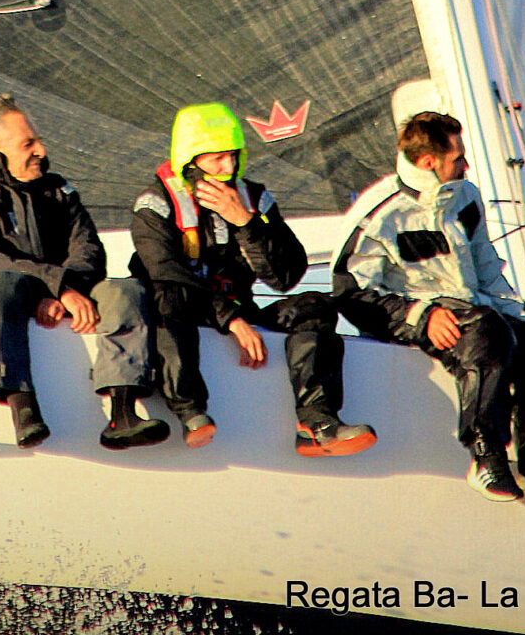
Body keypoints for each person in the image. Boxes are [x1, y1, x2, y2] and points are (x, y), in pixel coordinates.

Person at [333, 109, 525, 510]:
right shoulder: (380, 213)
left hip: (473, 311)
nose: (466, 165)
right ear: (428, 162)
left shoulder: (464, 196)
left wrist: (521, 318)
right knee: (487, 329)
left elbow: (486, 266)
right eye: (458, 158)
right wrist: (420, 317)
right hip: (412, 315)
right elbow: (350, 294)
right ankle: (486, 457)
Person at [129, 103, 375, 455]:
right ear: (190, 161)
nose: (228, 168)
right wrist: (230, 319)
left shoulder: (254, 198)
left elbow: (287, 277)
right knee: (166, 298)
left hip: (243, 310)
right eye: (217, 159)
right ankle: (190, 411)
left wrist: (245, 222)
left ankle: (317, 423)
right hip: (184, 314)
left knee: (315, 305)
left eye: (233, 156)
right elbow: (165, 274)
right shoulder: (155, 204)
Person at [0, 94, 168, 451]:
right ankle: (23, 407)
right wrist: (58, 288)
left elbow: (89, 249)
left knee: (125, 290)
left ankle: (123, 413)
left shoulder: (57, 188)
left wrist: (64, 291)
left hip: (66, 290)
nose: (41, 151)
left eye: (39, 141)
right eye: (28, 144)